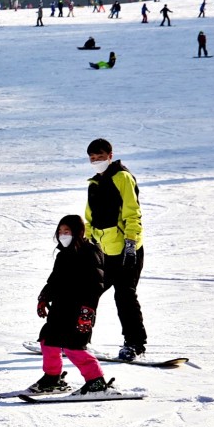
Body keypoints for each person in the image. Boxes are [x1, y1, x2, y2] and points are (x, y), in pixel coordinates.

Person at [30, 214, 114, 396]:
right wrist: (43, 298)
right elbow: (54, 280)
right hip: (60, 307)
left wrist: (87, 311)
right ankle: (52, 378)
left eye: (66, 231)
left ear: (78, 232)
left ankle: (96, 382)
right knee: (48, 340)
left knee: (74, 346)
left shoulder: (91, 252)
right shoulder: (62, 255)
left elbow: (96, 285)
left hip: (79, 310)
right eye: (60, 231)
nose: (62, 235)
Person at [84, 138, 146, 360]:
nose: (96, 161)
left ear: (110, 156)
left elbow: (132, 212)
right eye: (92, 158)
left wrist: (130, 243)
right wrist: (88, 243)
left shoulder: (122, 178)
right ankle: (79, 339)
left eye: (100, 157)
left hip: (126, 251)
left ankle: (135, 344)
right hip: (103, 250)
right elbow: (89, 218)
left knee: (124, 295)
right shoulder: (94, 183)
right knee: (88, 292)